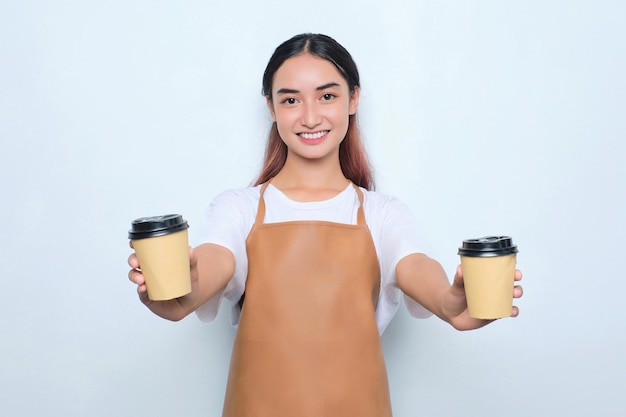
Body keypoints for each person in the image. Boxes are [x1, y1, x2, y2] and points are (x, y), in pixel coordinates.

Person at [128, 33, 523, 417]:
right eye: (291, 100)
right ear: (271, 107)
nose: (311, 116)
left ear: (353, 99)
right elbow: (217, 257)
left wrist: (451, 301)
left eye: (327, 95)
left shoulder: (383, 213)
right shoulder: (240, 208)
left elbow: (416, 265)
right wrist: (184, 286)